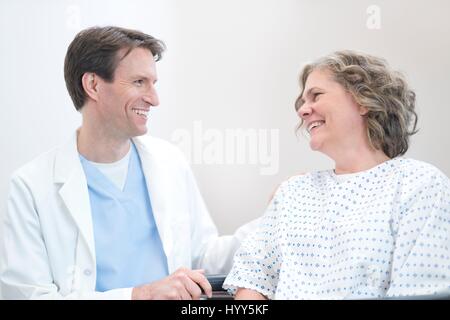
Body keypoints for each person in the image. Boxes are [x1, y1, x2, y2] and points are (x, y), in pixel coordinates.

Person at [0, 26, 257, 300]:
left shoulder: (170, 162)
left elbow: (203, 256)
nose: (153, 99)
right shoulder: (31, 187)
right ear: (93, 85)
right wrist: (139, 295)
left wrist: (276, 217)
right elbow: (29, 296)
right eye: (138, 82)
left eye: (153, 84)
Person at [223, 50, 450, 300]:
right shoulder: (293, 192)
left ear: (363, 100)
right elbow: (253, 281)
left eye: (316, 96)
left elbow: (420, 290)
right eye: (302, 103)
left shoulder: (419, 185)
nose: (303, 111)